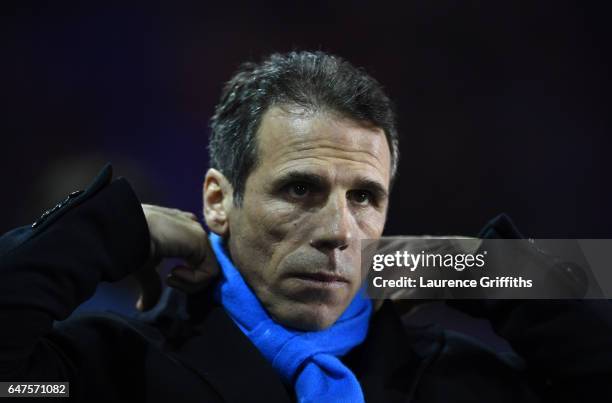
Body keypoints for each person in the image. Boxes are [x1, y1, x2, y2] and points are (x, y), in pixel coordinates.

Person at [0, 51, 611, 403]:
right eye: (300, 188)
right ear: (219, 199)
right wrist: (104, 227)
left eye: (366, 197)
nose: (339, 231)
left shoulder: (458, 380)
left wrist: (491, 268)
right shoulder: (112, 371)